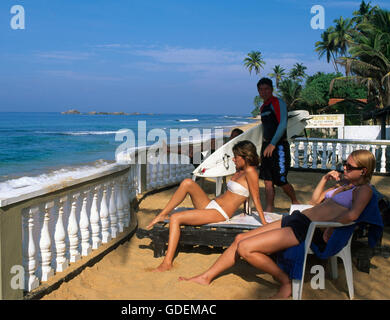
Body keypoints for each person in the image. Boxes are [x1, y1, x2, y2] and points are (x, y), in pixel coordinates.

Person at [179, 149, 376, 298]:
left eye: (349, 167)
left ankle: (285, 281)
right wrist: (325, 179)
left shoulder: (363, 190)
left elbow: (353, 215)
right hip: (300, 219)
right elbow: (315, 201)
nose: (344, 168)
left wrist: (330, 228)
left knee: (246, 248)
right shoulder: (346, 186)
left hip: (308, 229)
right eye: (345, 164)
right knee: (240, 237)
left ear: (363, 170)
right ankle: (205, 277)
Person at [146, 140, 266, 272]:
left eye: (236, 156)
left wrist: (263, 221)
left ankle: (167, 262)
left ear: (245, 157)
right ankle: (162, 214)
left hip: (220, 213)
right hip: (211, 204)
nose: (233, 159)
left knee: (175, 218)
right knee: (187, 183)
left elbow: (256, 198)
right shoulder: (240, 170)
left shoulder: (251, 172)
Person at [257, 77, 299, 212]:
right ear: (258, 91)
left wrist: (273, 143)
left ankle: (295, 202)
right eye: (261, 90)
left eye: (266, 89)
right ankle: (269, 208)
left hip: (279, 146)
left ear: (271, 89)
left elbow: (282, 124)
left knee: (280, 180)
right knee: (267, 180)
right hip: (266, 146)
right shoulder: (263, 107)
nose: (264, 92)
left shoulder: (278, 103)